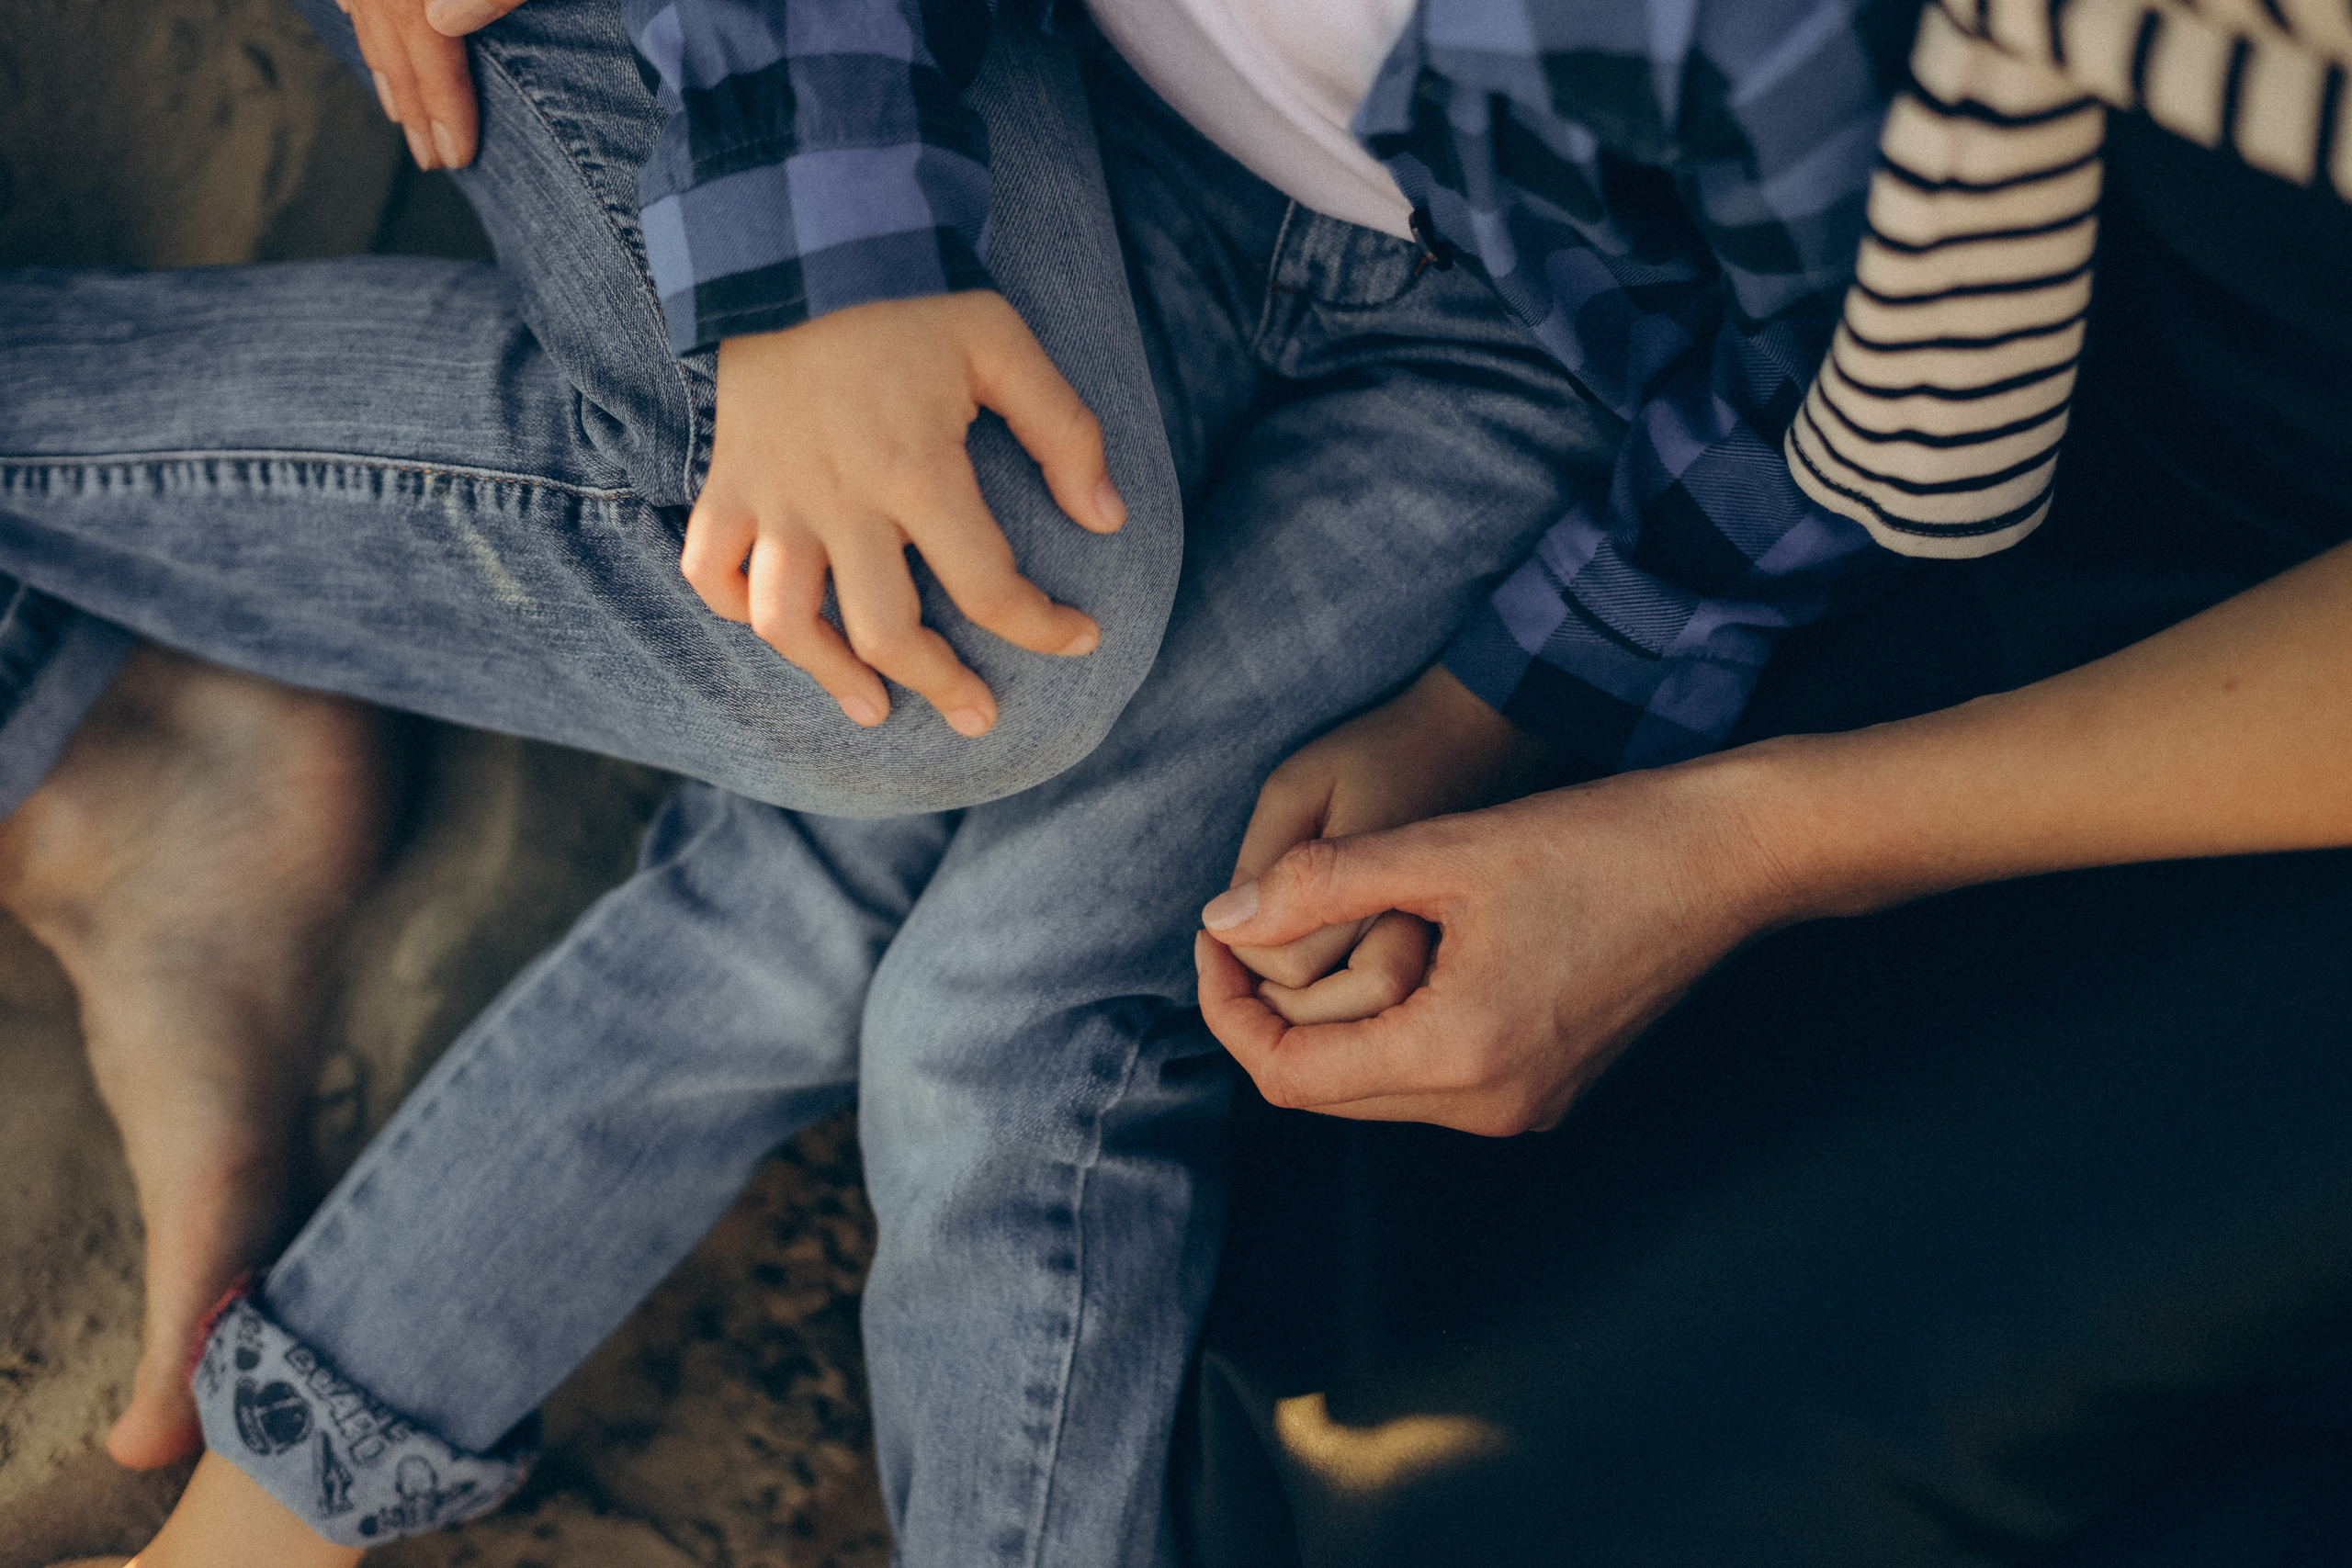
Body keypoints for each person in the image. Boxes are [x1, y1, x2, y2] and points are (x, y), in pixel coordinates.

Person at [5, 0, 1908, 1562]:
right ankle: (273, 1502)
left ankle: (268, 1507)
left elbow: (1831, 376)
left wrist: (1508, 694)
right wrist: (824, 252)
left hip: (1500, 341)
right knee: (917, 688)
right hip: (1016, 75)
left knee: (996, 993)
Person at [1186, 0, 2352, 1559]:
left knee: (1515, 1502)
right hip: (1984, 456)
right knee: (1366, 1303)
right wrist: (1550, 712)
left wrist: (1745, 848)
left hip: (2274, 729)